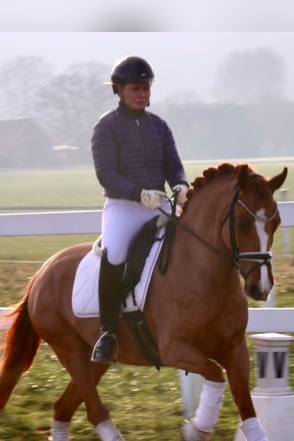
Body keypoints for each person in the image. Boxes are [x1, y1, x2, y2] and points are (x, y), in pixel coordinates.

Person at [90, 55, 189, 364]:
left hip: (158, 204)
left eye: (146, 87)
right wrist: (137, 193)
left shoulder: (159, 126)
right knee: (116, 252)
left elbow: (172, 163)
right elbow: (106, 174)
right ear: (119, 90)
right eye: (136, 87)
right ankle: (107, 332)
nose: (143, 93)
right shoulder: (106, 127)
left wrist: (181, 186)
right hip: (123, 207)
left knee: (188, 245)